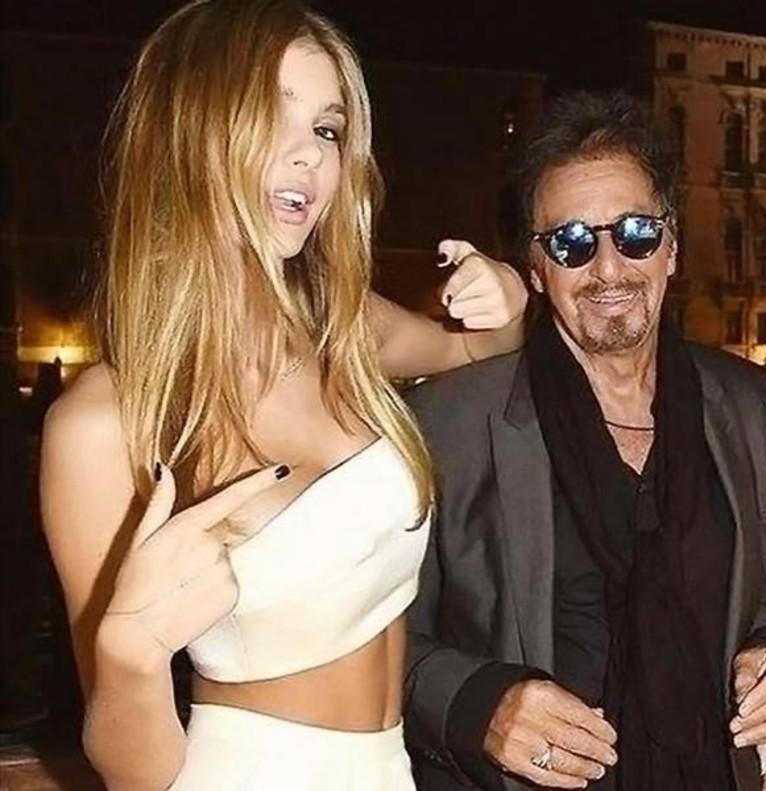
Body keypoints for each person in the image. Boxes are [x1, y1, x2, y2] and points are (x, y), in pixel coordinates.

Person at [39, 2, 528, 789]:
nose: (309, 155)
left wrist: (503, 291)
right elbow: (131, 771)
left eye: (328, 129)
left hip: (391, 767)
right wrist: (130, 658)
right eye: (273, 115)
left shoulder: (344, 328)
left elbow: (479, 347)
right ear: (187, 133)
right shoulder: (105, 423)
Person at [403, 90, 766, 791]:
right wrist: (475, 704)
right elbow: (364, 635)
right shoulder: (447, 422)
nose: (608, 269)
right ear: (534, 267)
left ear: (672, 247)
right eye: (572, 243)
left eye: (636, 232)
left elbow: (760, 587)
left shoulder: (745, 402)